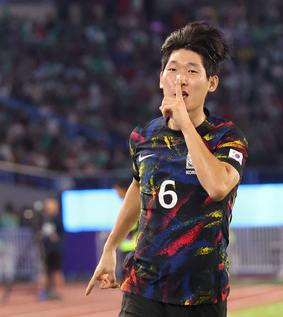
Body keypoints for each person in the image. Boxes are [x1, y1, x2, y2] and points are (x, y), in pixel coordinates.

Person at [86, 21, 248, 317]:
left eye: (191, 71)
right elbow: (139, 188)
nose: (180, 79)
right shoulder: (143, 137)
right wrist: (110, 247)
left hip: (202, 293)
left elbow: (217, 187)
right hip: (144, 287)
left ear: (211, 83)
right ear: (161, 78)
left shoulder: (228, 137)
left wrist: (185, 124)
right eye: (172, 70)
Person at [37, 198, 65, 301]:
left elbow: (61, 234)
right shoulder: (44, 219)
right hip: (46, 249)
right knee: (45, 271)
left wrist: (56, 237)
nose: (48, 209)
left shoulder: (58, 219)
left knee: (57, 271)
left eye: (50, 207)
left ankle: (58, 291)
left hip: (56, 249)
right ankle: (45, 290)